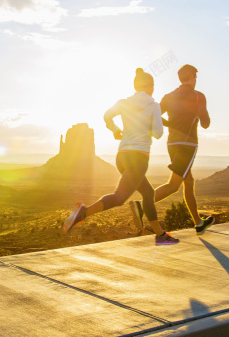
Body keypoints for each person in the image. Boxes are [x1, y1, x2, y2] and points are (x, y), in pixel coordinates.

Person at [62, 68, 179, 245]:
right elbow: (157, 133)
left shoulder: (124, 102)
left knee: (148, 193)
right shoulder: (153, 106)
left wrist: (116, 130)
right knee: (119, 198)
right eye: (153, 86)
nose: (154, 89)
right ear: (149, 86)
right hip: (138, 158)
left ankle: (160, 235)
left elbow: (107, 116)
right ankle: (83, 212)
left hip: (122, 156)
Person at [130, 64, 215, 235]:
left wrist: (171, 124)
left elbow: (156, 114)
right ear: (192, 77)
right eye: (195, 77)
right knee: (174, 185)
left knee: (188, 181)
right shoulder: (198, 96)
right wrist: (199, 116)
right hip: (188, 145)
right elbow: (206, 123)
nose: (196, 80)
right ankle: (142, 206)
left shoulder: (169, 96)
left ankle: (198, 223)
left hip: (172, 144)